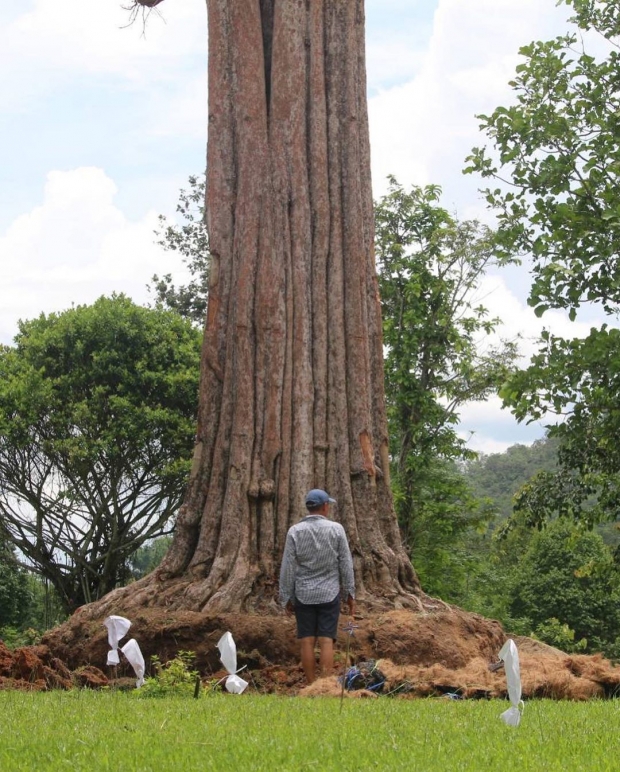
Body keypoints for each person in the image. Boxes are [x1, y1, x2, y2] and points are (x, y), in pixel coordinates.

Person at [279, 488, 356, 683]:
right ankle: (325, 685)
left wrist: (286, 596)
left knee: (307, 640)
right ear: (325, 506)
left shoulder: (295, 531)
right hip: (329, 593)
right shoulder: (336, 529)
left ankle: (311, 684)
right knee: (326, 639)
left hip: (303, 592)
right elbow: (345, 563)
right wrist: (349, 592)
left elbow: (288, 566)